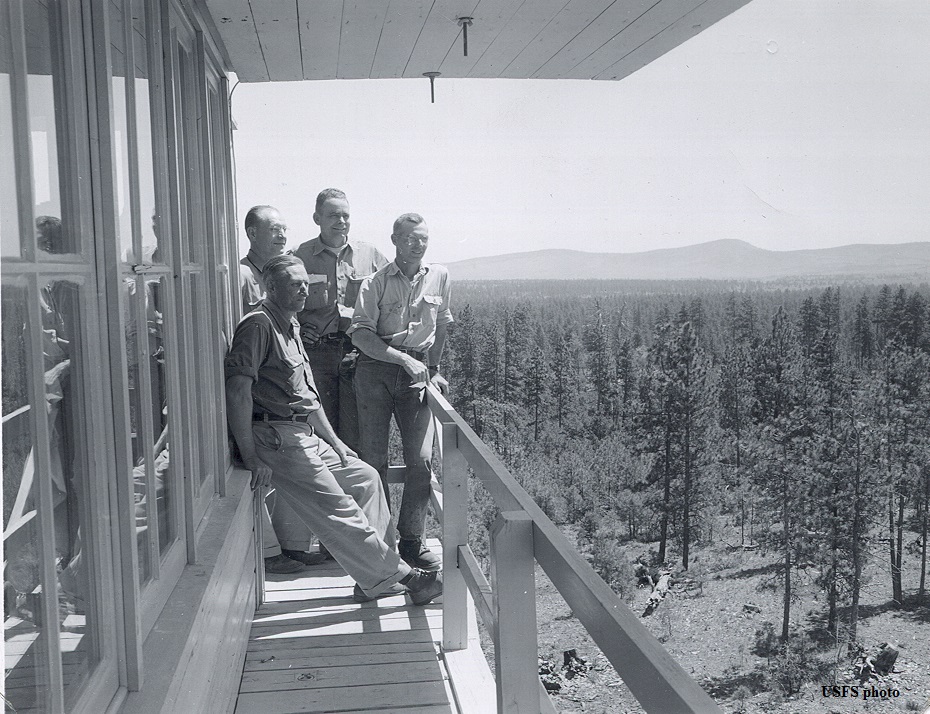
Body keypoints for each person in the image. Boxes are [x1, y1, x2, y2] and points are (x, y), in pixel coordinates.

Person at [225, 254, 442, 604]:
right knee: (337, 508)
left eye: (304, 285)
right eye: (293, 284)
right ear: (270, 287)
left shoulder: (290, 324)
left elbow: (308, 399)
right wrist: (250, 456)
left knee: (366, 478)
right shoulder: (259, 325)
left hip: (304, 434)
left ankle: (377, 576)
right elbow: (237, 391)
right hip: (275, 437)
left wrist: (337, 444)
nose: (302, 291)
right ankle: (406, 577)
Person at [349, 213, 452, 572]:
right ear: (395, 239)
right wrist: (401, 361)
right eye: (410, 238)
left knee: (421, 461)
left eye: (423, 238)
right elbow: (361, 335)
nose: (417, 244)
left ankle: (412, 541)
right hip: (375, 372)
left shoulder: (440, 276)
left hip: (417, 376)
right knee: (372, 461)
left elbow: (441, 324)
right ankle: (382, 544)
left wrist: (433, 369)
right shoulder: (374, 283)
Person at [238, 205, 322, 574]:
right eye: (273, 228)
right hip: (253, 390)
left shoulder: (286, 272)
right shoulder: (242, 276)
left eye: (285, 228)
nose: (282, 235)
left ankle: (291, 548)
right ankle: (272, 552)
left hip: (277, 386)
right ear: (252, 233)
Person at [294, 189, 389, 450]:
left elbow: (391, 297)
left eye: (346, 215)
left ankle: (357, 489)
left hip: (358, 354)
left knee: (357, 432)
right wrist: (298, 327)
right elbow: (281, 305)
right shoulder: (298, 257)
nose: (342, 221)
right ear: (317, 218)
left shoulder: (370, 256)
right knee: (320, 431)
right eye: (333, 215)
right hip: (316, 354)